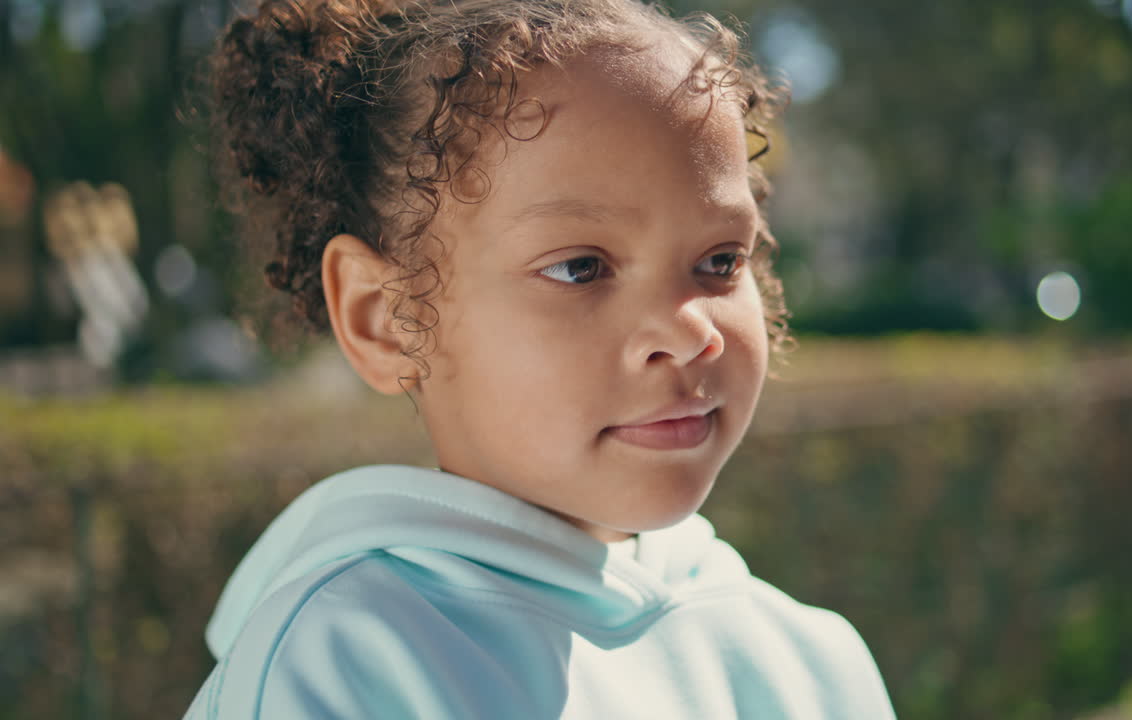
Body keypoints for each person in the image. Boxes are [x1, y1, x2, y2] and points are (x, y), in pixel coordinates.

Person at [183, 0, 896, 717]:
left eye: (718, 260)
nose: (688, 332)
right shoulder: (346, 664)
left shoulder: (809, 662)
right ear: (385, 319)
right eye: (581, 268)